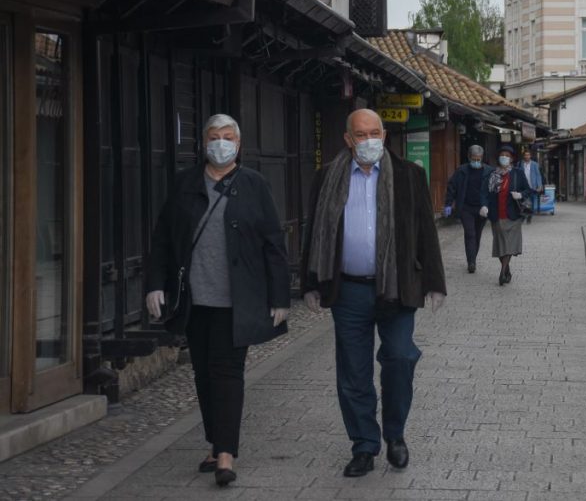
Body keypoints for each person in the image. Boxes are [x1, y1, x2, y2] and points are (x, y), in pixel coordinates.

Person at [145, 114, 290, 488]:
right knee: (203, 373)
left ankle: (226, 453)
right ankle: (215, 442)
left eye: (228, 137)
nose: (221, 143)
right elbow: (163, 239)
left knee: (227, 372)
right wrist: (154, 284)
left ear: (238, 144)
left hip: (236, 300)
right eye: (214, 137)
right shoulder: (185, 184)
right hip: (194, 299)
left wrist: (279, 296)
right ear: (204, 143)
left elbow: (274, 244)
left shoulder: (255, 185)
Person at [300, 109, 447, 477]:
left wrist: (434, 282)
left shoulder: (409, 176)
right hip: (347, 289)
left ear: (384, 134)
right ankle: (364, 444)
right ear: (348, 139)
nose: (369, 141)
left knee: (399, 358)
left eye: (375, 133)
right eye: (361, 135)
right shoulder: (327, 177)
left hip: (397, 289)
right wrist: (310, 283)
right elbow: (314, 230)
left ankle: (395, 434)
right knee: (353, 372)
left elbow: (425, 231)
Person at [480, 145, 533, 286]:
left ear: (512, 158)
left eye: (507, 155)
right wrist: (484, 205)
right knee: (500, 245)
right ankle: (507, 270)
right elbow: (484, 192)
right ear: (498, 158)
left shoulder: (517, 173)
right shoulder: (492, 174)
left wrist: (520, 194)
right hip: (496, 214)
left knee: (509, 244)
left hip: (513, 215)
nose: (504, 157)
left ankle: (502, 273)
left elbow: (528, 190)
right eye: (502, 155)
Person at [444, 145, 492, 273]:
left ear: (482, 158)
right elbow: (452, 186)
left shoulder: (489, 171)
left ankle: (472, 258)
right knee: (470, 234)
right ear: (469, 157)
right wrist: (448, 204)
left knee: (477, 235)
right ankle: (471, 262)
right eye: (474, 158)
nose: (476, 161)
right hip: (466, 207)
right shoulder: (462, 170)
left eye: (479, 159)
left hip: (482, 208)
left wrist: (489, 206)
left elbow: (493, 191)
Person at [518, 149, 544, 223]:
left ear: (530, 156)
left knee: (531, 202)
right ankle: (523, 215)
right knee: (524, 202)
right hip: (523, 187)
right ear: (523, 156)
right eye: (525, 155)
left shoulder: (535, 164)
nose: (527, 156)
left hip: (533, 187)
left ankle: (529, 216)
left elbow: (538, 175)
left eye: (528, 155)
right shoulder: (520, 164)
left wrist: (539, 186)